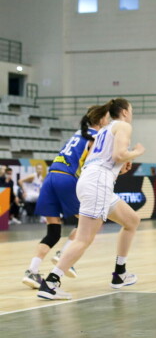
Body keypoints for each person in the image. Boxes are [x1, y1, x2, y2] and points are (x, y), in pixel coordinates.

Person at [37, 98, 145, 300]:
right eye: (130, 110)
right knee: (84, 239)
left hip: (93, 179)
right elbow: (121, 154)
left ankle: (119, 273)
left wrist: (120, 166)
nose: (131, 114)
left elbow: (107, 159)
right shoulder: (123, 126)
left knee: (131, 221)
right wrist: (136, 152)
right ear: (123, 112)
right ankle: (51, 282)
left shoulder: (104, 130)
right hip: (97, 183)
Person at [21, 107, 108, 289]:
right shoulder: (97, 137)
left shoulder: (78, 133)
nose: (108, 122)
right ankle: (64, 253)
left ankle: (32, 271)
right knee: (88, 223)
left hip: (50, 178)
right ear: (100, 121)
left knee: (53, 232)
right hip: (66, 178)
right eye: (107, 119)